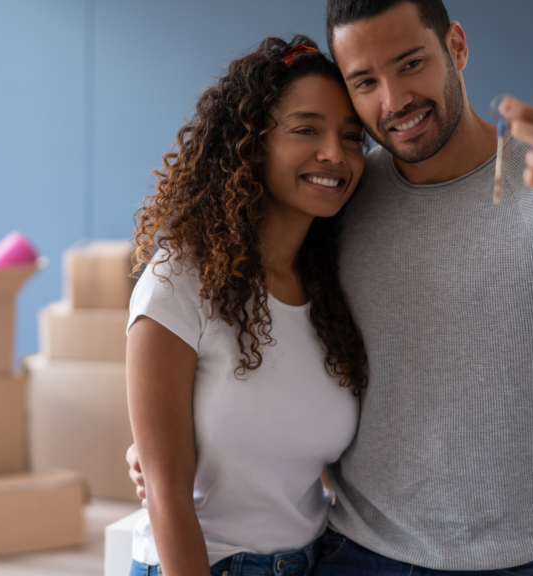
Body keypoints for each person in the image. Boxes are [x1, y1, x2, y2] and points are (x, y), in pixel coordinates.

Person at [129, 1, 533, 575]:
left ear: (457, 46)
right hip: (359, 556)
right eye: (365, 81)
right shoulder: (341, 195)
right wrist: (174, 448)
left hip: (521, 561)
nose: (393, 100)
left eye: (411, 63)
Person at [125, 36, 369, 576]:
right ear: (250, 143)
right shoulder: (178, 281)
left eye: (351, 137)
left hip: (314, 562)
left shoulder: (331, 291)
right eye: (306, 129)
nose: (334, 152)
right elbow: (166, 496)